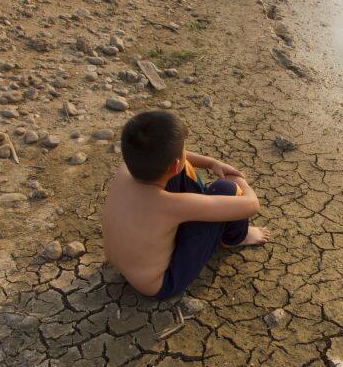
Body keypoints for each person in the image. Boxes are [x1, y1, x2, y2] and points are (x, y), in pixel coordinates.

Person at [102, 111, 270, 298]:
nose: (185, 153)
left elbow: (175, 158)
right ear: (174, 164)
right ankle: (236, 237)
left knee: (177, 169)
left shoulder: (126, 169)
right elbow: (251, 204)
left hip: (123, 264)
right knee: (226, 188)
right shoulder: (172, 206)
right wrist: (239, 181)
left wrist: (211, 163)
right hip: (161, 283)